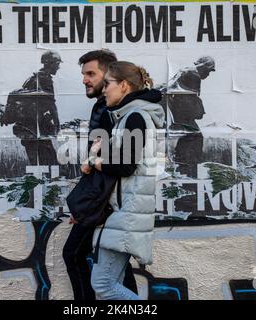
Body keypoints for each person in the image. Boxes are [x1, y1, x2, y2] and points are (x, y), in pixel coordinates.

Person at [62, 50, 138, 300]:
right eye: (83, 74)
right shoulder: (105, 107)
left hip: (108, 203)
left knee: (74, 254)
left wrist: (91, 207)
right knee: (116, 269)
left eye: (91, 74)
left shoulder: (113, 111)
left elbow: (117, 164)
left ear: (110, 75)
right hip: (105, 202)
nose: (85, 79)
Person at [88, 61, 165, 300]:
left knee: (103, 285)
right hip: (123, 213)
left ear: (123, 85)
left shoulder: (135, 117)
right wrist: (102, 151)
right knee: (112, 283)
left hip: (125, 215)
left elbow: (126, 165)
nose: (104, 90)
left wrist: (96, 161)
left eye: (108, 84)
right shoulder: (128, 117)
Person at [12, 50, 62, 166]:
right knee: (50, 162)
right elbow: (51, 104)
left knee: (37, 162)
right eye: (57, 64)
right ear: (50, 63)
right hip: (37, 127)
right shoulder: (45, 79)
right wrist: (57, 125)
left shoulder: (32, 79)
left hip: (27, 127)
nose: (58, 67)